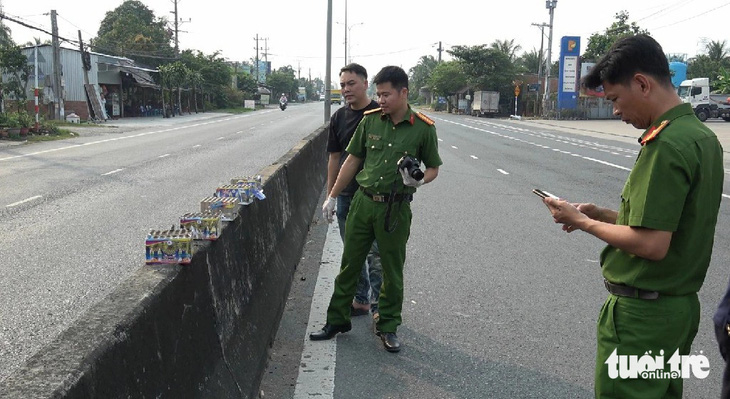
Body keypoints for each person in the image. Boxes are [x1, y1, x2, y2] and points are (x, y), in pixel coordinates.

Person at [542, 34, 723, 398]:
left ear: (641, 83)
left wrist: (582, 222)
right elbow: (671, 224)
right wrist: (605, 215)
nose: (615, 112)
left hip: (643, 318)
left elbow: (652, 244)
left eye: (615, 99)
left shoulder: (667, 144)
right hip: (677, 309)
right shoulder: (701, 137)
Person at [310, 66, 442, 353]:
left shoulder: (423, 128)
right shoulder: (370, 122)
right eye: (378, 94)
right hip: (362, 203)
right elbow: (351, 161)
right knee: (349, 265)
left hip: (394, 211)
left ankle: (388, 326)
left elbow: (433, 168)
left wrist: (417, 181)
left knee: (391, 271)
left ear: (403, 92)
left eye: (386, 94)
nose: (380, 99)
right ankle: (337, 320)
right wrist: (332, 195)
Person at [326, 63, 383, 321]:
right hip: (347, 195)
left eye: (351, 84)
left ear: (365, 83)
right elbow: (335, 158)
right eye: (342, 85)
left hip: (373, 196)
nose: (346, 89)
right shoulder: (339, 117)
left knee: (374, 252)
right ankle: (360, 299)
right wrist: (331, 195)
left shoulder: (381, 113)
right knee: (352, 251)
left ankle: (379, 306)